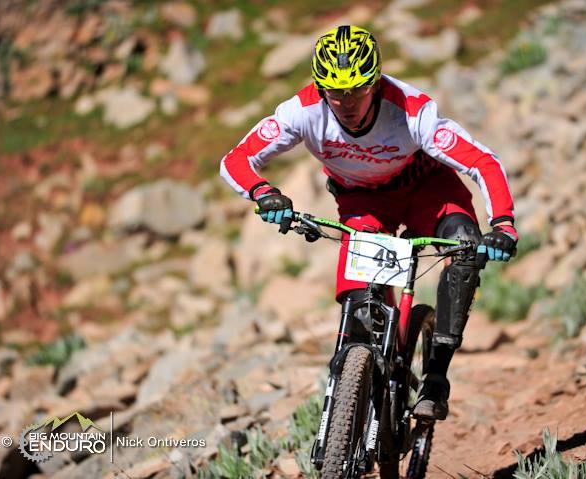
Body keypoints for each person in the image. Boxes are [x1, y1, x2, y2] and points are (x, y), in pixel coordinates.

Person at [219, 25, 517, 420]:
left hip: (428, 190)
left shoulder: (412, 110)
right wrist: (263, 192)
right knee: (361, 306)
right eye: (334, 91)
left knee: (464, 250)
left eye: (357, 90)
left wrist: (503, 224)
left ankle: (436, 378)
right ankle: (359, 388)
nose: (345, 102)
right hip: (363, 202)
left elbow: (482, 162)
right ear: (318, 86)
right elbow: (236, 160)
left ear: (375, 83)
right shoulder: (302, 111)